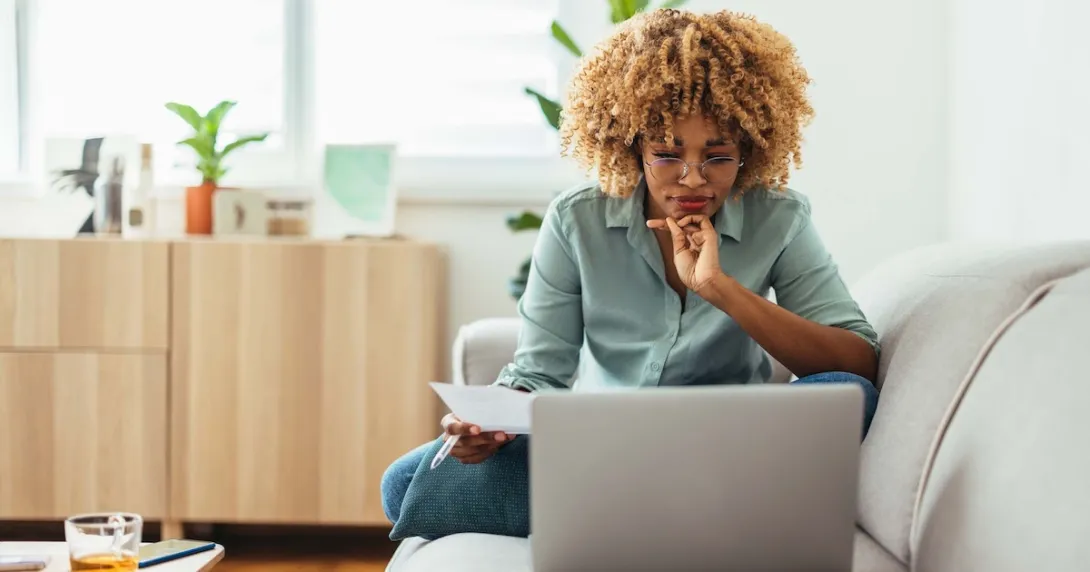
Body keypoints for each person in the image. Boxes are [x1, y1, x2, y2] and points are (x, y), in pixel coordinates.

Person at [382, 8, 880, 525]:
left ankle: (630, 511)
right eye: (666, 154)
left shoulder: (779, 218)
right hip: (601, 444)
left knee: (851, 396)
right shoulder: (578, 219)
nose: (692, 180)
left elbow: (856, 365)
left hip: (724, 443)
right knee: (402, 486)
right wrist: (489, 425)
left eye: (717, 157)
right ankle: (687, 512)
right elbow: (538, 372)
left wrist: (719, 287)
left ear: (749, 151)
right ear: (632, 146)